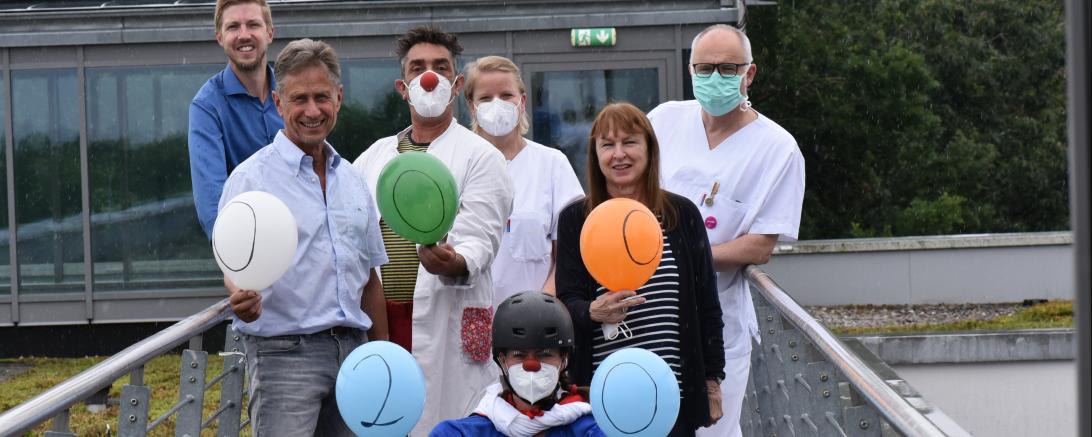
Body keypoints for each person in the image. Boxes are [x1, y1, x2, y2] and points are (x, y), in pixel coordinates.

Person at [223, 38, 389, 436]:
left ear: (339, 98)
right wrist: (240, 298)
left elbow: (368, 278)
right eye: (299, 99)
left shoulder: (352, 180)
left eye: (322, 97)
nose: (312, 111)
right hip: (284, 356)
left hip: (354, 353)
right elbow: (233, 265)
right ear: (279, 103)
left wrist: (384, 355)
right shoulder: (250, 180)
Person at [352, 26, 514, 435]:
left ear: (457, 84)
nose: (430, 77)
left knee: (450, 423)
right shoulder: (372, 159)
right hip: (381, 320)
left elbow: (481, 237)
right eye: (418, 68)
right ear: (403, 87)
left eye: (441, 68)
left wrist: (454, 261)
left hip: (449, 319)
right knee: (386, 421)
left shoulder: (482, 157)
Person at [646, 24, 806, 437]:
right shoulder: (663, 122)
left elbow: (760, 245)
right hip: (645, 310)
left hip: (716, 324)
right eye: (705, 68)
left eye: (727, 68)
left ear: (749, 74)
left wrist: (683, 256)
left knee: (710, 428)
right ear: (690, 70)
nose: (714, 78)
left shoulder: (777, 148)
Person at [556, 102, 726, 436]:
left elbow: (708, 306)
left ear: (649, 148)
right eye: (607, 145)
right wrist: (593, 311)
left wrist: (712, 383)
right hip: (601, 400)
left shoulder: (682, 215)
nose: (619, 154)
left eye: (630, 142)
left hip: (673, 397)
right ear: (595, 155)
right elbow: (567, 302)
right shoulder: (576, 220)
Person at [463, 56, 584, 305]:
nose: (497, 105)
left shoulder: (552, 165)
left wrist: (539, 307)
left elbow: (569, 256)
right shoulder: (457, 166)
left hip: (536, 324)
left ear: (523, 100)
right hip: (470, 321)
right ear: (472, 106)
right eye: (485, 98)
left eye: (506, 95)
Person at [430, 291, 605, 437]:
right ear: (502, 361)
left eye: (545, 354)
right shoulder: (458, 433)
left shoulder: (590, 431)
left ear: (564, 360)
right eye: (519, 355)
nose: (532, 365)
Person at [189, 0, 283, 237]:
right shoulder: (207, 107)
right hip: (250, 252)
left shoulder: (293, 95)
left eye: (253, 24)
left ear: (270, 33)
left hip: (307, 248)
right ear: (220, 37)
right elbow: (213, 206)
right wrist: (236, 258)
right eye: (233, 27)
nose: (244, 35)